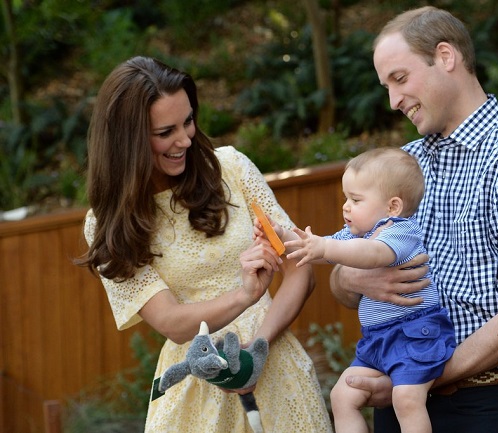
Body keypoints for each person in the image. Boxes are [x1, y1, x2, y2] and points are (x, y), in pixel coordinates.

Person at [329, 6, 498, 433]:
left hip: (476, 404)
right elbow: (342, 280)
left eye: (400, 79)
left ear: (446, 57)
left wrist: (418, 379)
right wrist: (351, 278)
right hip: (399, 395)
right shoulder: (404, 166)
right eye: (385, 86)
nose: (392, 101)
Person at [75, 56, 332, 433]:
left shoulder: (231, 168)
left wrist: (257, 349)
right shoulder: (106, 224)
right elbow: (173, 324)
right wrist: (245, 295)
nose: (185, 139)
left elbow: (300, 269)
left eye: (188, 121)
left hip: (274, 364)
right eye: (166, 132)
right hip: (193, 387)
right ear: (126, 141)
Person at [255, 147, 456, 433]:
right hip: (378, 339)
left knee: (406, 398)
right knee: (342, 395)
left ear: (392, 207)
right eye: (346, 198)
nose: (345, 206)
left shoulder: (400, 230)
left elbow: (374, 255)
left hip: (413, 335)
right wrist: (283, 235)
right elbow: (323, 249)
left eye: (356, 199)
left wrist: (327, 247)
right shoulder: (355, 234)